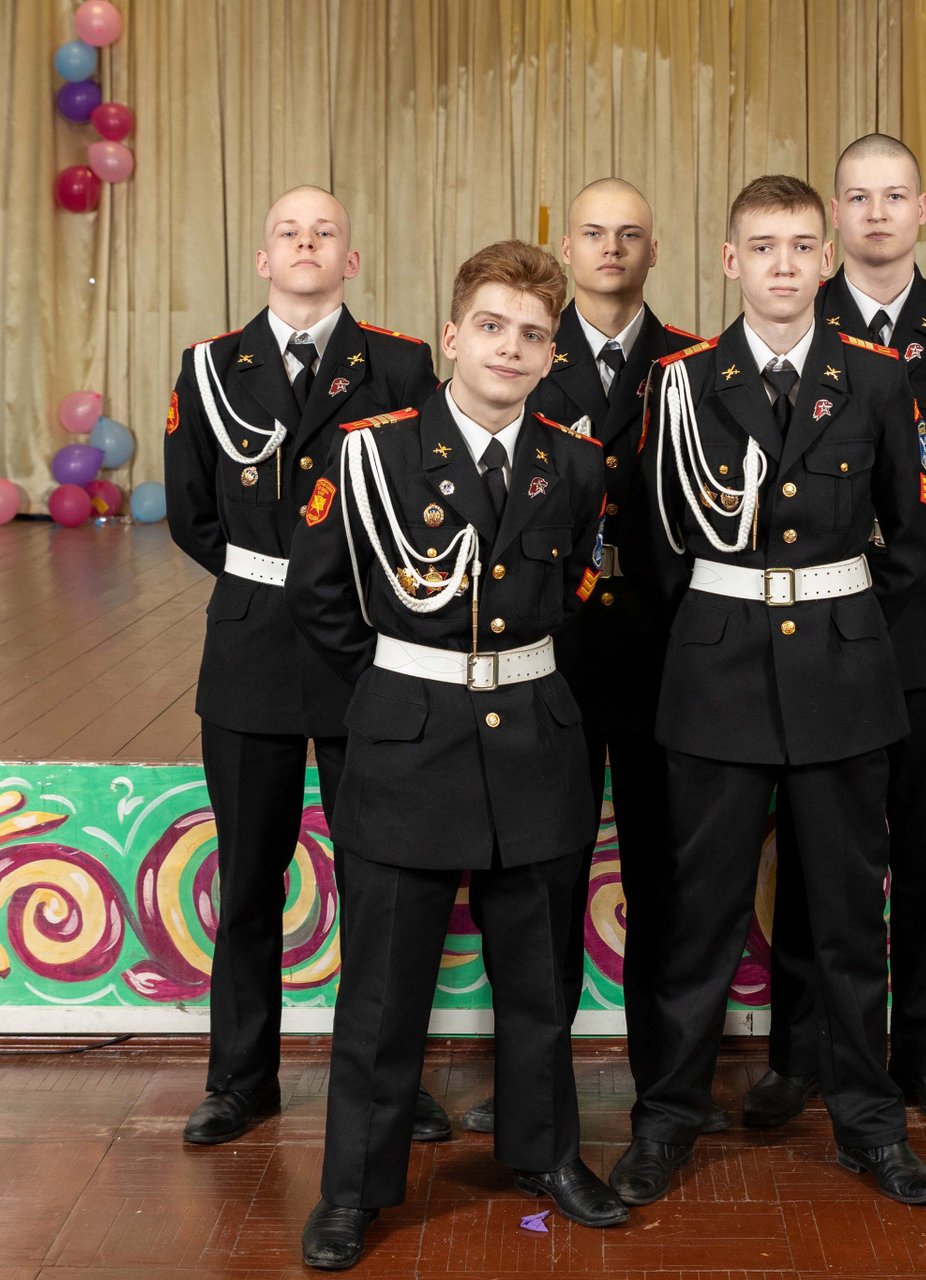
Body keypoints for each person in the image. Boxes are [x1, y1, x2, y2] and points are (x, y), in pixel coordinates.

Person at [288, 240, 628, 1270]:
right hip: (411, 742)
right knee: (383, 991)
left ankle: (546, 1153)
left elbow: (579, 591)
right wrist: (404, 690)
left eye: (532, 335)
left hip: (535, 739)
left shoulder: (576, 463)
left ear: (552, 352)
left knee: (540, 981)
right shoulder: (372, 453)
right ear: (450, 335)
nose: (509, 348)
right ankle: (353, 1187)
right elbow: (321, 597)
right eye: (491, 326)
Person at [615, 175, 926, 1208]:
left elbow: (911, 537)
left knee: (847, 920)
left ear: (826, 257)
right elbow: (656, 547)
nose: (785, 265)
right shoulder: (680, 383)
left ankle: (869, 1125)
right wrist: (721, 626)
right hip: (715, 679)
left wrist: (842, 619)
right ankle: (667, 1119)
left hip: (842, 677)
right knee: (697, 919)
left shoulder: (877, 379)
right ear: (731, 261)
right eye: (764, 247)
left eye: (803, 245)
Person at [746, 135, 926, 1134]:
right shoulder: (796, 322)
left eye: (893, 195)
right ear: (834, 215)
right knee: (815, 848)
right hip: (826, 623)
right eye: (858, 197)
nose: (876, 213)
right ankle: (799, 1054)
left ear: (920, 209)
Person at [164, 185, 449, 1147]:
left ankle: (386, 1083)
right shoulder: (211, 367)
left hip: (367, 648)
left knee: (381, 881)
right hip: (251, 651)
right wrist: (277, 579)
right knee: (248, 879)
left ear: (350, 260)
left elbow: (424, 495)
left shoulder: (401, 365)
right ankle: (239, 1081)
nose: (306, 244)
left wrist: (341, 586)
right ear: (263, 258)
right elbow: (193, 514)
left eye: (325, 232)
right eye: (288, 232)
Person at [461, 178, 711, 1137]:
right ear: (566, 249)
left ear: (655, 250)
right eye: (595, 233)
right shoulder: (523, 354)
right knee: (541, 887)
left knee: (665, 885)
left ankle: (669, 1088)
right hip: (550, 663)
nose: (612, 249)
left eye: (631, 234)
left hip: (663, 661)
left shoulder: (695, 363)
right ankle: (531, 1086)